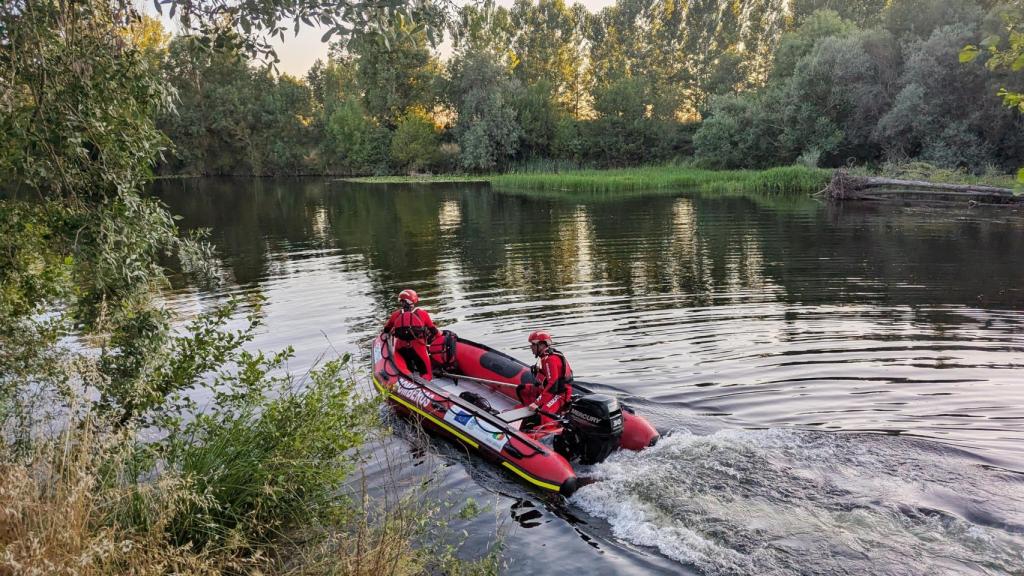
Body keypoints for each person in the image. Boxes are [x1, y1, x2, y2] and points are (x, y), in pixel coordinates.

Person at [519, 330, 574, 425]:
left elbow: (553, 384)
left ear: (541, 345)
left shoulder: (550, 360)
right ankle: (532, 415)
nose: (531, 347)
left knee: (545, 414)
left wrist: (537, 402)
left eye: (532, 344)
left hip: (560, 394)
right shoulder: (545, 357)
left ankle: (549, 434)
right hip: (552, 391)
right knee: (522, 389)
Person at [382, 289, 438, 380]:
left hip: (401, 347)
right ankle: (424, 381)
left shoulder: (395, 314)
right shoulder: (423, 313)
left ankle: (407, 377)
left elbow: (386, 329)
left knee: (406, 370)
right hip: (419, 347)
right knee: (427, 373)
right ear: (414, 300)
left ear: (401, 302)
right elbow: (433, 330)